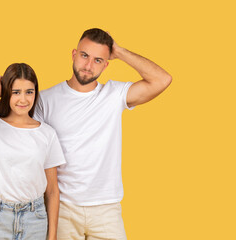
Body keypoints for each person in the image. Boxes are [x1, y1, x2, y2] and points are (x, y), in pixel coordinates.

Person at [34, 28, 172, 240]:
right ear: (74, 54)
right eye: (84, 55)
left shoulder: (114, 94)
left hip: (106, 209)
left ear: (107, 64)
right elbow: (33, 150)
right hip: (63, 207)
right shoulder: (45, 99)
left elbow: (162, 79)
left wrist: (120, 51)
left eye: (98, 60)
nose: (88, 66)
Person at [0, 63, 66, 240]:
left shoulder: (46, 134)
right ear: (6, 92)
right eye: (16, 92)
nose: (23, 99)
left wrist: (52, 235)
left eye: (29, 92)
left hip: (35, 218)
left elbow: (52, 190)